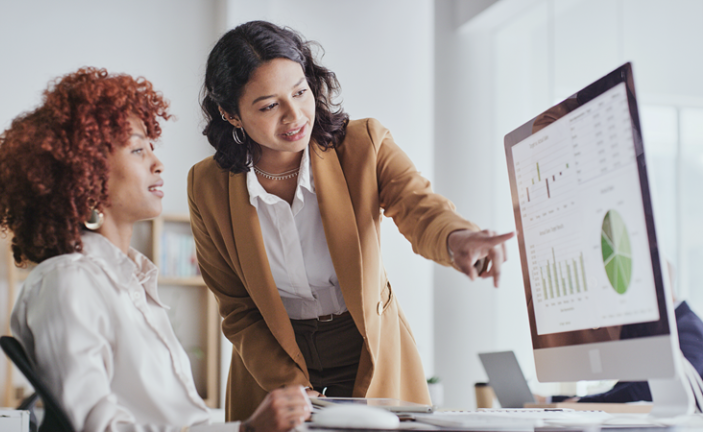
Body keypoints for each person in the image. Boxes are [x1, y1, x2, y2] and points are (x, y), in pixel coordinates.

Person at [188, 20, 515, 421]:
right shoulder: (207, 185)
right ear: (231, 114)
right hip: (272, 357)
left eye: (300, 92)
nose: (295, 116)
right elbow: (237, 307)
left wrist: (456, 237)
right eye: (269, 105)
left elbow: (418, 206)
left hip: (366, 348)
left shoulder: (364, 144)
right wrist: (286, 383)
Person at [0, 67, 310, 432]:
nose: (158, 163)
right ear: (85, 173)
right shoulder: (68, 281)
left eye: (152, 148)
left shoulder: (128, 280)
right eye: (138, 149)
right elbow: (97, 427)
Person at [546, 300, 703, 404]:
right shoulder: (653, 327)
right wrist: (554, 400)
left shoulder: (687, 327)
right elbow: (622, 389)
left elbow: (648, 390)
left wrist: (583, 403)